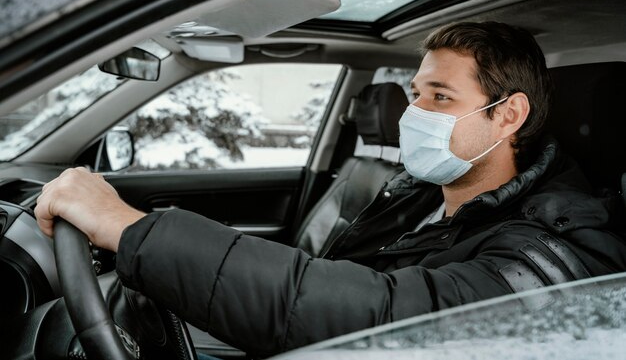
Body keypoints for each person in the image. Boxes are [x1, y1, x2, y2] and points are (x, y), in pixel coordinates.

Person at [36, 22, 626, 357]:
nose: (412, 112)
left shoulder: (555, 250)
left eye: (440, 97)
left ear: (509, 115)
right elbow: (328, 276)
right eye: (414, 92)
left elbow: (389, 314)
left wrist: (134, 230)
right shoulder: (422, 192)